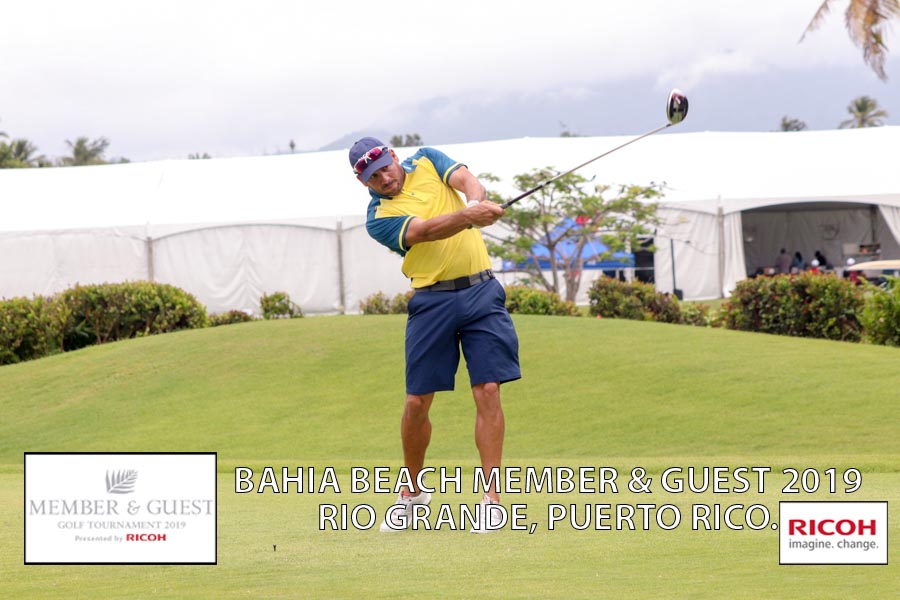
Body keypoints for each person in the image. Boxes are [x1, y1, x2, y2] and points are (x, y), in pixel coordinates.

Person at [349, 137, 521, 533]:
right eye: (373, 178)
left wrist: (476, 202)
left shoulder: (427, 159)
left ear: (393, 156)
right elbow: (426, 231)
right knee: (416, 402)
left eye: (384, 168)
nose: (383, 179)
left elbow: (467, 181)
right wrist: (470, 216)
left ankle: (492, 501)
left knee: (488, 390)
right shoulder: (378, 217)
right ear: (364, 183)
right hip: (431, 301)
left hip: (481, 291)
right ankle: (412, 495)